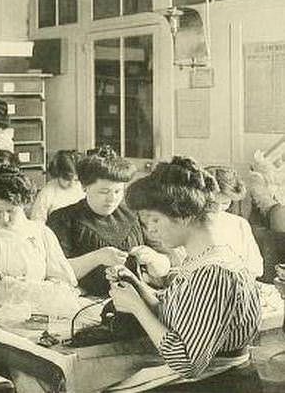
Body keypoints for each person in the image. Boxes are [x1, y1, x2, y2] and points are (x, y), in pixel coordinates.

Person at [109, 157, 262, 392]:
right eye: (146, 221)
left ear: (183, 215)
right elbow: (183, 314)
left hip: (222, 384)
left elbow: (187, 363)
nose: (151, 229)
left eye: (155, 219)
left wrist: (137, 308)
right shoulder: (204, 258)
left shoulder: (214, 273)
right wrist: (138, 289)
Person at [47, 146, 169, 296]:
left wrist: (154, 259)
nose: (112, 199)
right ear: (85, 187)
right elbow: (56, 272)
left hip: (137, 299)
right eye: (104, 192)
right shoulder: (63, 218)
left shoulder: (133, 214)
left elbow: (166, 262)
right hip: (84, 302)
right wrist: (97, 257)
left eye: (118, 191)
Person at [0, 166, 76, 306]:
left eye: (11, 211)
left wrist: (32, 288)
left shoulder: (41, 233)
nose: (4, 218)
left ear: (24, 204)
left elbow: (63, 283)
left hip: (37, 310)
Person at [201, 166, 263, 278]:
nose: (217, 209)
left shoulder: (240, 224)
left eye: (225, 203)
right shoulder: (190, 222)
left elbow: (257, 267)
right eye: (211, 204)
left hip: (237, 285)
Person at [30, 150, 85, 223]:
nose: (71, 184)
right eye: (67, 179)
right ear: (58, 174)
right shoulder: (47, 193)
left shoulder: (82, 190)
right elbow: (37, 223)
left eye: (75, 180)